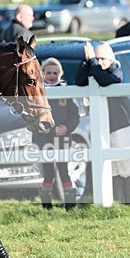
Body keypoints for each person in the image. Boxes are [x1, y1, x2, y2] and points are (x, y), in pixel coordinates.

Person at [75, 42, 130, 204]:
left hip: (121, 124)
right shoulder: (94, 70)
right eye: (97, 58)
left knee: (128, 163)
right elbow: (79, 81)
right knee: (111, 167)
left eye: (103, 59)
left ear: (111, 59)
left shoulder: (116, 70)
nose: (100, 62)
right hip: (102, 127)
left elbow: (106, 81)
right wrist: (87, 62)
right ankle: (118, 203)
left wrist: (93, 63)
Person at [34, 58, 79, 210]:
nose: (52, 76)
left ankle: (70, 205)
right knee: (48, 171)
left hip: (63, 138)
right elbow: (37, 116)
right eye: (49, 73)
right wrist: (52, 130)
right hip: (44, 138)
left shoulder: (65, 91)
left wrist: (66, 128)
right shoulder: (39, 91)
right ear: (43, 73)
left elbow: (75, 115)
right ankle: (46, 206)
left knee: (64, 170)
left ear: (60, 74)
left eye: (55, 73)